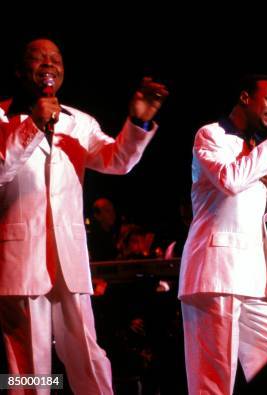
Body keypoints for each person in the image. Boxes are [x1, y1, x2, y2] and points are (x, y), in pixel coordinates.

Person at [0, 38, 168, 394]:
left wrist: (137, 122)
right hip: (20, 262)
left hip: (69, 260)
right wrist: (32, 124)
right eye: (38, 57)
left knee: (89, 356)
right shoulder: (1, 118)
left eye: (56, 58)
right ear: (19, 69)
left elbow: (117, 160)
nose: (49, 64)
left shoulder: (78, 122)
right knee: (27, 367)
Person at [179, 75, 267, 395]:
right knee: (213, 381)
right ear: (245, 97)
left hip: (254, 276)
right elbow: (230, 180)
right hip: (216, 272)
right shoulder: (211, 135)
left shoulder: (256, 149)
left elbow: (254, 213)